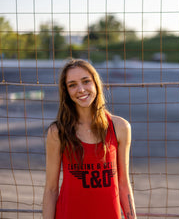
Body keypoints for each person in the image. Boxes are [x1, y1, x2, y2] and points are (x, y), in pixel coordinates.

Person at [43, 59, 136, 219]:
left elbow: (123, 184)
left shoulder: (120, 127)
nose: (81, 89)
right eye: (72, 85)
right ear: (66, 91)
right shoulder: (58, 132)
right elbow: (51, 189)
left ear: (96, 84)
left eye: (86, 81)